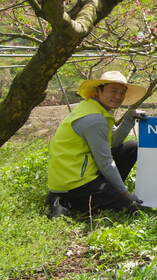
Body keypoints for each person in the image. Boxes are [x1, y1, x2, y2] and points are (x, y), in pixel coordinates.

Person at [46, 71, 146, 215]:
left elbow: (114, 142)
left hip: (81, 172)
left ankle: (101, 193)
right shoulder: (94, 119)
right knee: (129, 208)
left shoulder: (95, 108)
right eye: (113, 91)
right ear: (97, 91)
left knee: (131, 147)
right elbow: (105, 162)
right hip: (75, 182)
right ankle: (66, 201)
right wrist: (125, 194)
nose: (118, 96)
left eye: (122, 92)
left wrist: (129, 119)